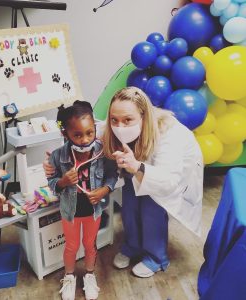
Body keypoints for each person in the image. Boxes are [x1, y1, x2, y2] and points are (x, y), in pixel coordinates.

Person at [102, 87, 203, 278]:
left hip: (166, 175)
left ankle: (156, 257)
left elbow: (168, 181)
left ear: (143, 116)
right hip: (135, 166)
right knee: (130, 205)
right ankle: (132, 245)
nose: (119, 126)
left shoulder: (169, 135)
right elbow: (92, 136)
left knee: (151, 209)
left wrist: (138, 167)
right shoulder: (113, 126)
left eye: (128, 120)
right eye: (114, 119)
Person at [47, 100, 118, 300]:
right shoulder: (57, 156)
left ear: (95, 128)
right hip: (70, 210)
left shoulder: (103, 152)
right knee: (71, 245)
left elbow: (113, 176)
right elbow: (51, 182)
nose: (85, 139)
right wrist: (62, 181)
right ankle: (69, 277)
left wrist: (104, 190)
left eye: (89, 132)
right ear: (66, 134)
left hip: (93, 210)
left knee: (89, 244)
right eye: (77, 135)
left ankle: (89, 275)